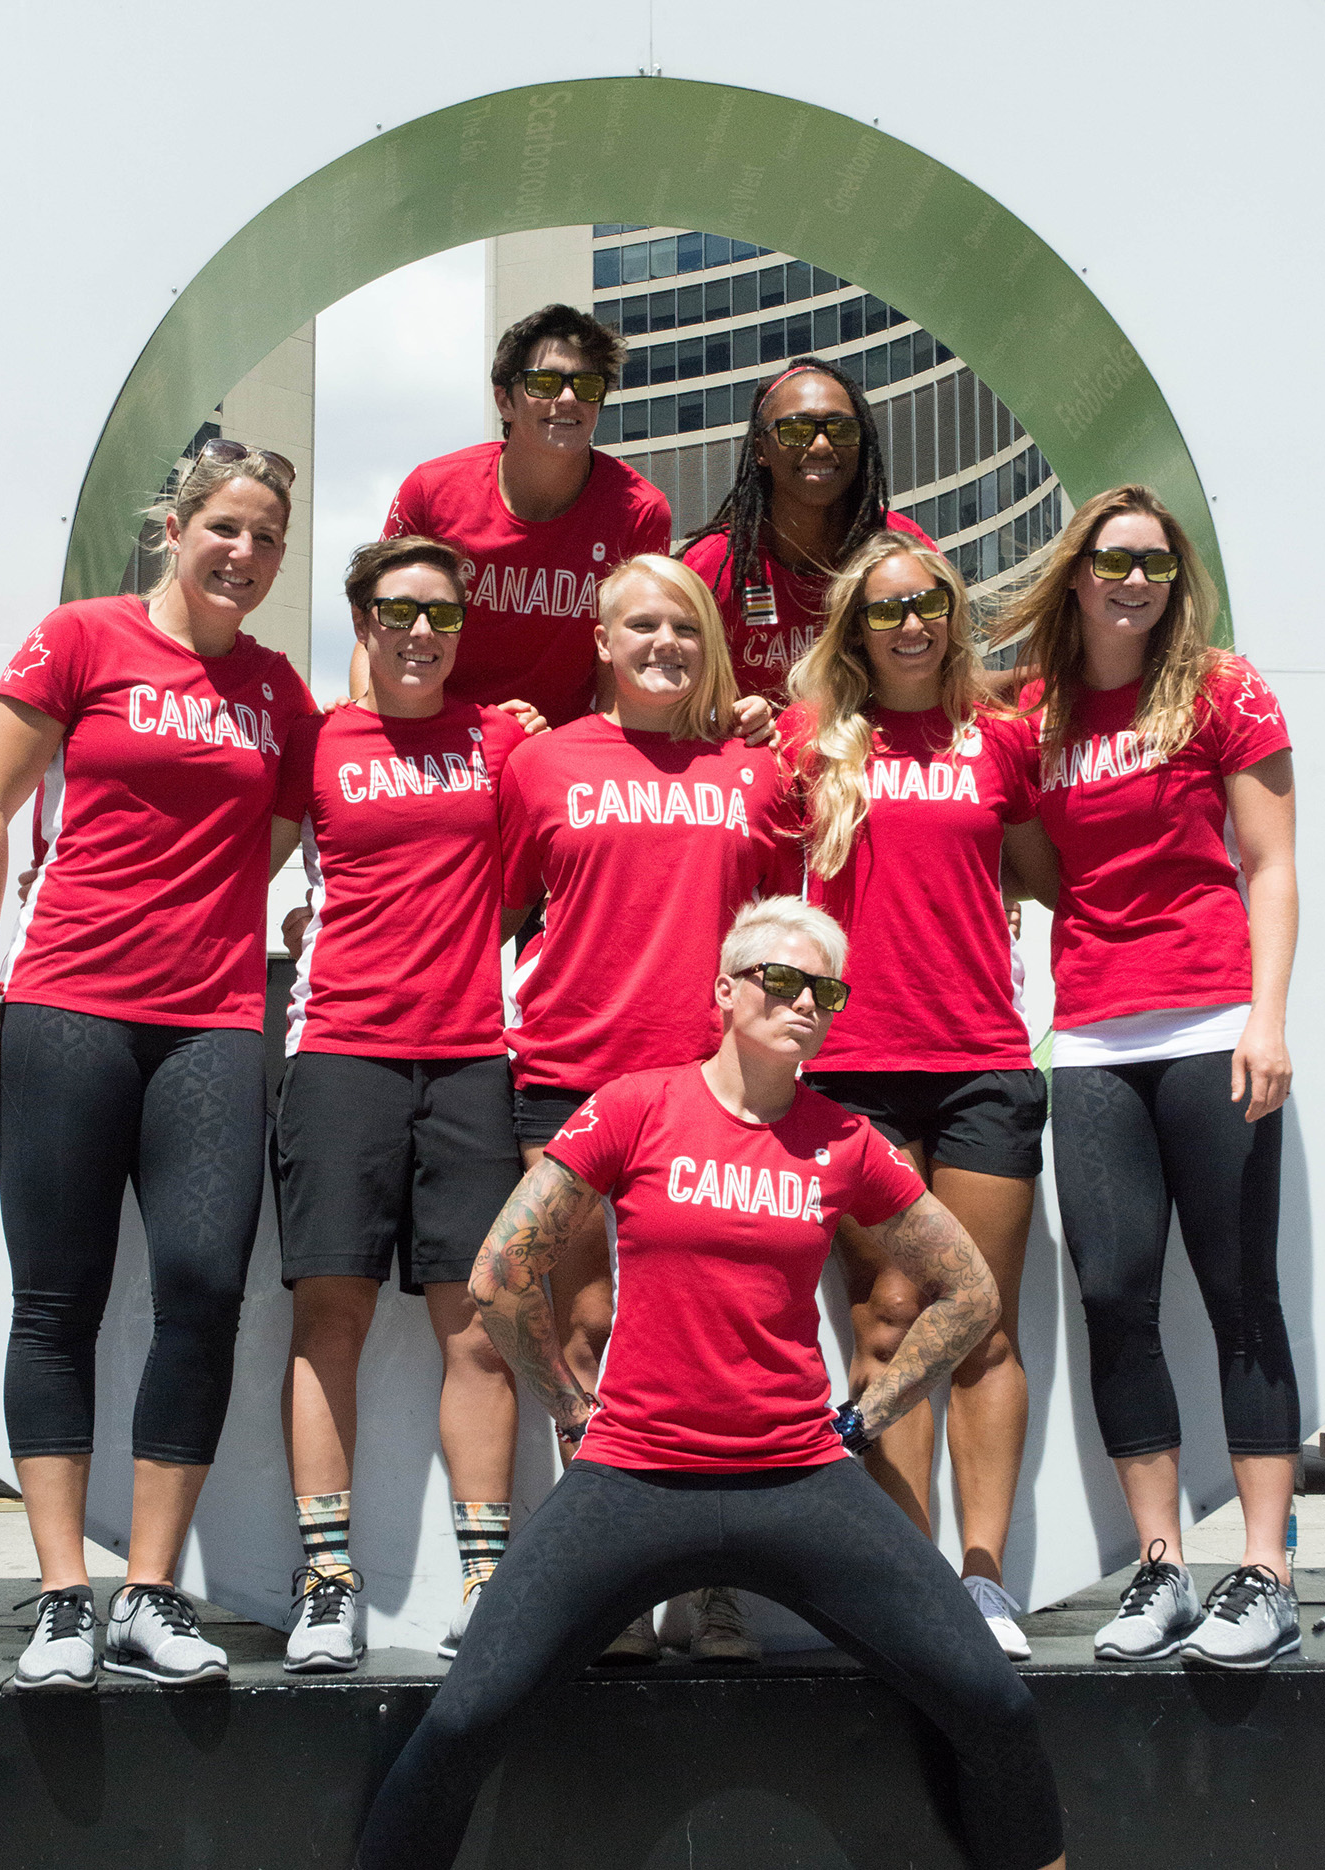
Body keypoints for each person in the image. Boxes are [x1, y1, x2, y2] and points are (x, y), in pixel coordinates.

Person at [355, 896, 1066, 1870]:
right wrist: (569, 1405)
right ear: (725, 991)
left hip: (798, 1479)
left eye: (825, 990)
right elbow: (498, 1272)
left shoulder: (842, 1140)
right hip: (633, 1478)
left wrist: (865, 1418)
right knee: (463, 1718)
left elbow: (969, 1291)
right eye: (781, 979)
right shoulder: (635, 1106)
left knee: (996, 1704)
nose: (804, 1002)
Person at [0, 442, 314, 1690]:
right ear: (175, 529)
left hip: (211, 1022)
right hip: (66, 1005)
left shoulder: (278, 690)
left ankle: (149, 1591)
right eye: (225, 526)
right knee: (55, 1300)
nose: (244, 551)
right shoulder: (82, 638)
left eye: (266, 537)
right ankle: (62, 1594)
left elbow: (270, 841)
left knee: (202, 1292)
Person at [999, 484, 1300, 1671]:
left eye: (1156, 564)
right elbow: (1037, 868)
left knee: (1239, 1296)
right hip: (1092, 1038)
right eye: (1113, 559)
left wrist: (1265, 1018)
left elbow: (1268, 864)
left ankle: (1264, 1571)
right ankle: (1161, 1567)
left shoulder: (1220, 688)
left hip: (1215, 1020)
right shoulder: (1033, 715)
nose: (1134, 580)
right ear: (1073, 573)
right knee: (1113, 1297)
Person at [498, 553, 801, 1663]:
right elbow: (496, 906)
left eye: (683, 625)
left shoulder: (756, 773)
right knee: (580, 1333)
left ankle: (709, 1584)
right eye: (641, 625)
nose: (664, 643)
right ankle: (610, 1581)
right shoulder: (538, 764)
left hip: (712, 1090)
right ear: (601, 640)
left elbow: (786, 933)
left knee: (705, 1346)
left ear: (708, 642)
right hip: (567, 1078)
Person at [780, 532, 1054, 1659]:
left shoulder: (999, 737)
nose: (908, 623)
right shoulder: (808, 742)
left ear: (952, 615)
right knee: (889, 1319)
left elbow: (1045, 874)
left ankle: (982, 1583)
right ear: (855, 626)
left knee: (978, 1321)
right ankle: (909, 1585)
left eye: (926, 603)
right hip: (852, 1067)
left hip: (981, 1060)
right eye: (885, 607)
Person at [270, 537, 529, 1672]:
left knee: (477, 1326)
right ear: (361, 620)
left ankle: (487, 1581)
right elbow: (236, 863)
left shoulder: (502, 739)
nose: (420, 631)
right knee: (329, 1318)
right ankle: (327, 1581)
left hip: (473, 1061)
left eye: (441, 612)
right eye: (396, 610)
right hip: (339, 1055)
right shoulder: (316, 740)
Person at [351, 302, 670, 727]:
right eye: (545, 382)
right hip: (437, 739)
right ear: (504, 400)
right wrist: (368, 732)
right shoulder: (431, 490)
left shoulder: (639, 511)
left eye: (587, 385)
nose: (569, 398)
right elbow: (377, 627)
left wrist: (594, 750)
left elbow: (627, 660)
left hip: (560, 745)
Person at [680, 356, 936, 701]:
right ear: (760, 449)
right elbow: (676, 701)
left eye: (842, 430)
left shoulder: (903, 548)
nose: (821, 445)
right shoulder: (712, 567)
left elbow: (952, 677)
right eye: (797, 430)